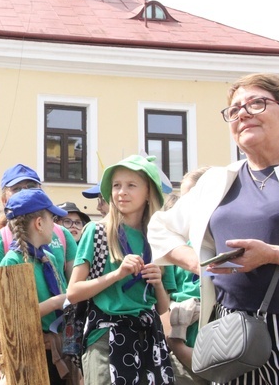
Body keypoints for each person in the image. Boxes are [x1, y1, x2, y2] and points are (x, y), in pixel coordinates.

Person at [148, 73, 279, 385]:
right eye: (235, 110)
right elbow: (160, 228)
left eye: (257, 103)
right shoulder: (217, 180)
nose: (243, 114)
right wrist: (197, 262)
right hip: (232, 334)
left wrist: (273, 255)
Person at [66, 154, 176, 385]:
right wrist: (117, 274)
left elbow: (163, 307)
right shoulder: (96, 232)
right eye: (116, 185)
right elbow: (73, 292)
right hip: (106, 337)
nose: (121, 192)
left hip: (149, 339)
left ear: (149, 193)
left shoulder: (160, 238)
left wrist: (157, 283)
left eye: (131, 185)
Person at [0, 189, 75, 385]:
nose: (55, 224)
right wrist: (56, 302)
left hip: (58, 350)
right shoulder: (12, 262)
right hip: (31, 358)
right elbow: (14, 318)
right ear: (39, 223)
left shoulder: (48, 257)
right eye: (52, 218)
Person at [0, 164, 77, 280]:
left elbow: (75, 286)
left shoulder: (62, 235)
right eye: (17, 188)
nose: (25, 192)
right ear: (4, 200)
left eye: (31, 186)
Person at [160, 167, 211, 385]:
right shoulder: (173, 242)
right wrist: (176, 345)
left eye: (193, 196)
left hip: (218, 343)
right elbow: (164, 300)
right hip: (181, 341)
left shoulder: (223, 237)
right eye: (183, 198)